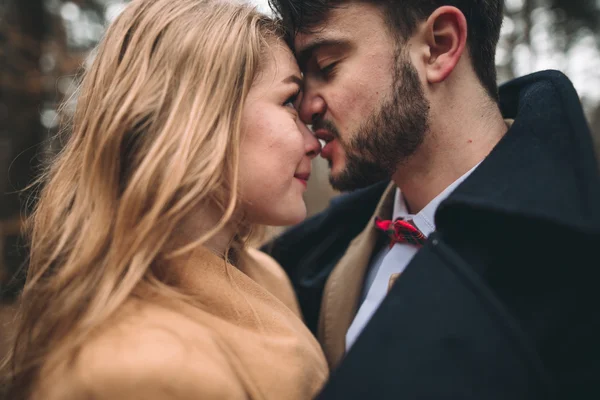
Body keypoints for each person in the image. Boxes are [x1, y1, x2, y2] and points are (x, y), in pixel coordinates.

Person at [264, 0, 600, 398]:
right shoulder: (308, 260)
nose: (306, 107)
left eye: (328, 67)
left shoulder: (577, 276)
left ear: (439, 46)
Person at [0, 0, 328, 399]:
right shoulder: (136, 372)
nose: (314, 142)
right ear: (200, 118)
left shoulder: (264, 276)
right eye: (290, 102)